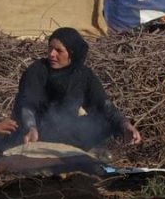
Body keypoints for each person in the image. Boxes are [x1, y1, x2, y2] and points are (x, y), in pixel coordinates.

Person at [13, 27, 141, 150]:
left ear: (72, 52)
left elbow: (103, 105)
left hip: (65, 131)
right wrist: (31, 127)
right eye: (50, 48)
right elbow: (27, 105)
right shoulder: (37, 70)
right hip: (36, 131)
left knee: (104, 123)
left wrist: (125, 125)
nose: (52, 54)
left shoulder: (83, 75)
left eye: (59, 50)